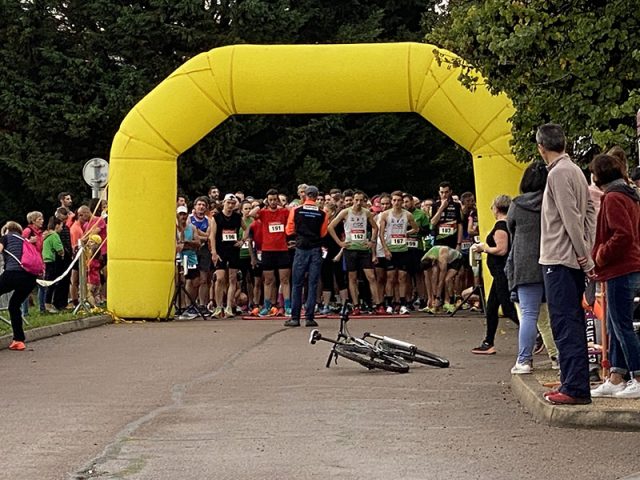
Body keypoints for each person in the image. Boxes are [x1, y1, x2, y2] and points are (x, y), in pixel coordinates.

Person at [537, 123, 596, 406]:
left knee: (564, 323)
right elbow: (588, 212)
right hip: (571, 256)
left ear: (541, 147)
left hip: (559, 257)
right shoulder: (576, 171)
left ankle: (574, 386)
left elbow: (570, 216)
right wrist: (588, 245)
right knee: (571, 322)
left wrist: (583, 254)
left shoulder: (558, 174)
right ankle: (575, 381)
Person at [589, 154, 640, 398]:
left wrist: (600, 254)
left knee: (621, 325)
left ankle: (637, 375)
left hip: (619, 267)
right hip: (628, 266)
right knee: (614, 324)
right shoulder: (629, 196)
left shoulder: (612, 198)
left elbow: (623, 235)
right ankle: (617, 375)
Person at [506, 162, 558, 374]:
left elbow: (511, 229)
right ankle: (558, 358)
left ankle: (525, 360)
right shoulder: (551, 202)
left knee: (528, 314)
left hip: (525, 265)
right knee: (554, 315)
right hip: (553, 261)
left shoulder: (517, 205)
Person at [471, 195, 519, 354]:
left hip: (502, 272)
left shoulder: (501, 226)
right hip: (499, 273)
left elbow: (501, 249)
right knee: (491, 307)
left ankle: (538, 334)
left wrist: (483, 248)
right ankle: (488, 341)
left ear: (497, 208)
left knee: (507, 308)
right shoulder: (508, 225)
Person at [327, 190, 382, 314]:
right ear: (352, 200)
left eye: (360, 200)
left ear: (364, 201)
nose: (358, 203)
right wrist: (340, 243)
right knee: (352, 278)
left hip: (363, 249)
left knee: (371, 277)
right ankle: (356, 305)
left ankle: (379, 304)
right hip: (350, 249)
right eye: (356, 200)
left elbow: (375, 227)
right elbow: (330, 227)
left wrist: (372, 241)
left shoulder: (366, 213)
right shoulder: (345, 212)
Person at [284, 185, 328, 327]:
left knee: (297, 284)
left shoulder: (296, 210)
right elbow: (323, 233)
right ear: (316, 196)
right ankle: (309, 317)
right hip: (315, 248)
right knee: (313, 284)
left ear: (306, 196)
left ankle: (295, 317)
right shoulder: (322, 213)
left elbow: (289, 229)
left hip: (301, 248)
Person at [249, 189, 292, 316]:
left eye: (275, 199)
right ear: (268, 200)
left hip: (282, 250)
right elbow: (251, 214)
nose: (273, 202)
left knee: (284, 280)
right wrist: (262, 204)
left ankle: (287, 307)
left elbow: (292, 212)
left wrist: (282, 204)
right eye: (270, 200)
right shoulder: (263, 212)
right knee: (268, 280)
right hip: (267, 250)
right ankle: (266, 306)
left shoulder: (283, 211)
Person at [378, 190, 419, 314]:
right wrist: (385, 249)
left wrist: (406, 233)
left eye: (399, 200)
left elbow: (416, 228)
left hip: (403, 250)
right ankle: (389, 303)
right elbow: (381, 233)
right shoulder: (385, 215)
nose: (396, 203)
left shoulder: (407, 215)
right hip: (391, 249)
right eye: (394, 200)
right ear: (391, 201)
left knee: (402, 277)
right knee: (390, 277)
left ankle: (402, 303)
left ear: (402, 202)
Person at [0, 221, 39, 350]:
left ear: (6, 230)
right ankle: (19, 340)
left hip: (12, 274)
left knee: (13, 305)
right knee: (14, 306)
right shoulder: (25, 240)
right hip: (29, 278)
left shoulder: (6, 237)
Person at [210, 194, 244, 318]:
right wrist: (213, 252)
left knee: (232, 278)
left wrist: (242, 241)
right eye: (228, 203)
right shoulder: (216, 217)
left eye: (232, 203)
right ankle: (219, 307)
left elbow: (247, 229)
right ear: (224, 203)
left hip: (233, 250)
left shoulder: (237, 217)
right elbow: (212, 236)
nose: (230, 205)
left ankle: (229, 307)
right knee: (219, 278)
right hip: (221, 250)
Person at [42, 216, 65, 313]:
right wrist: (62, 253)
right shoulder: (55, 235)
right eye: (61, 226)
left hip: (46, 260)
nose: (62, 228)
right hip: (52, 261)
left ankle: (47, 304)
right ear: (56, 226)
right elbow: (59, 249)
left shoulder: (47, 235)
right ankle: (48, 305)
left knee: (49, 283)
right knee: (51, 283)